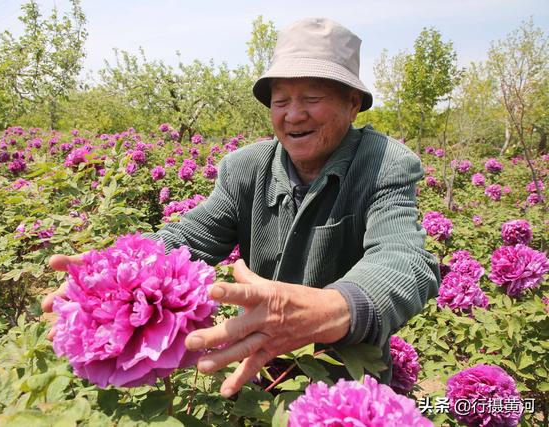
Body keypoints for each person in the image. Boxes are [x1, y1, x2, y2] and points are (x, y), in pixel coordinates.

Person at [42, 17, 440, 398]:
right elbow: (189, 237)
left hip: (345, 381)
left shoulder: (384, 162)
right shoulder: (245, 167)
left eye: (311, 99)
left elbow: (403, 257)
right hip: (253, 376)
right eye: (280, 101)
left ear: (353, 104)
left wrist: (339, 307)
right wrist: (112, 276)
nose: (293, 114)